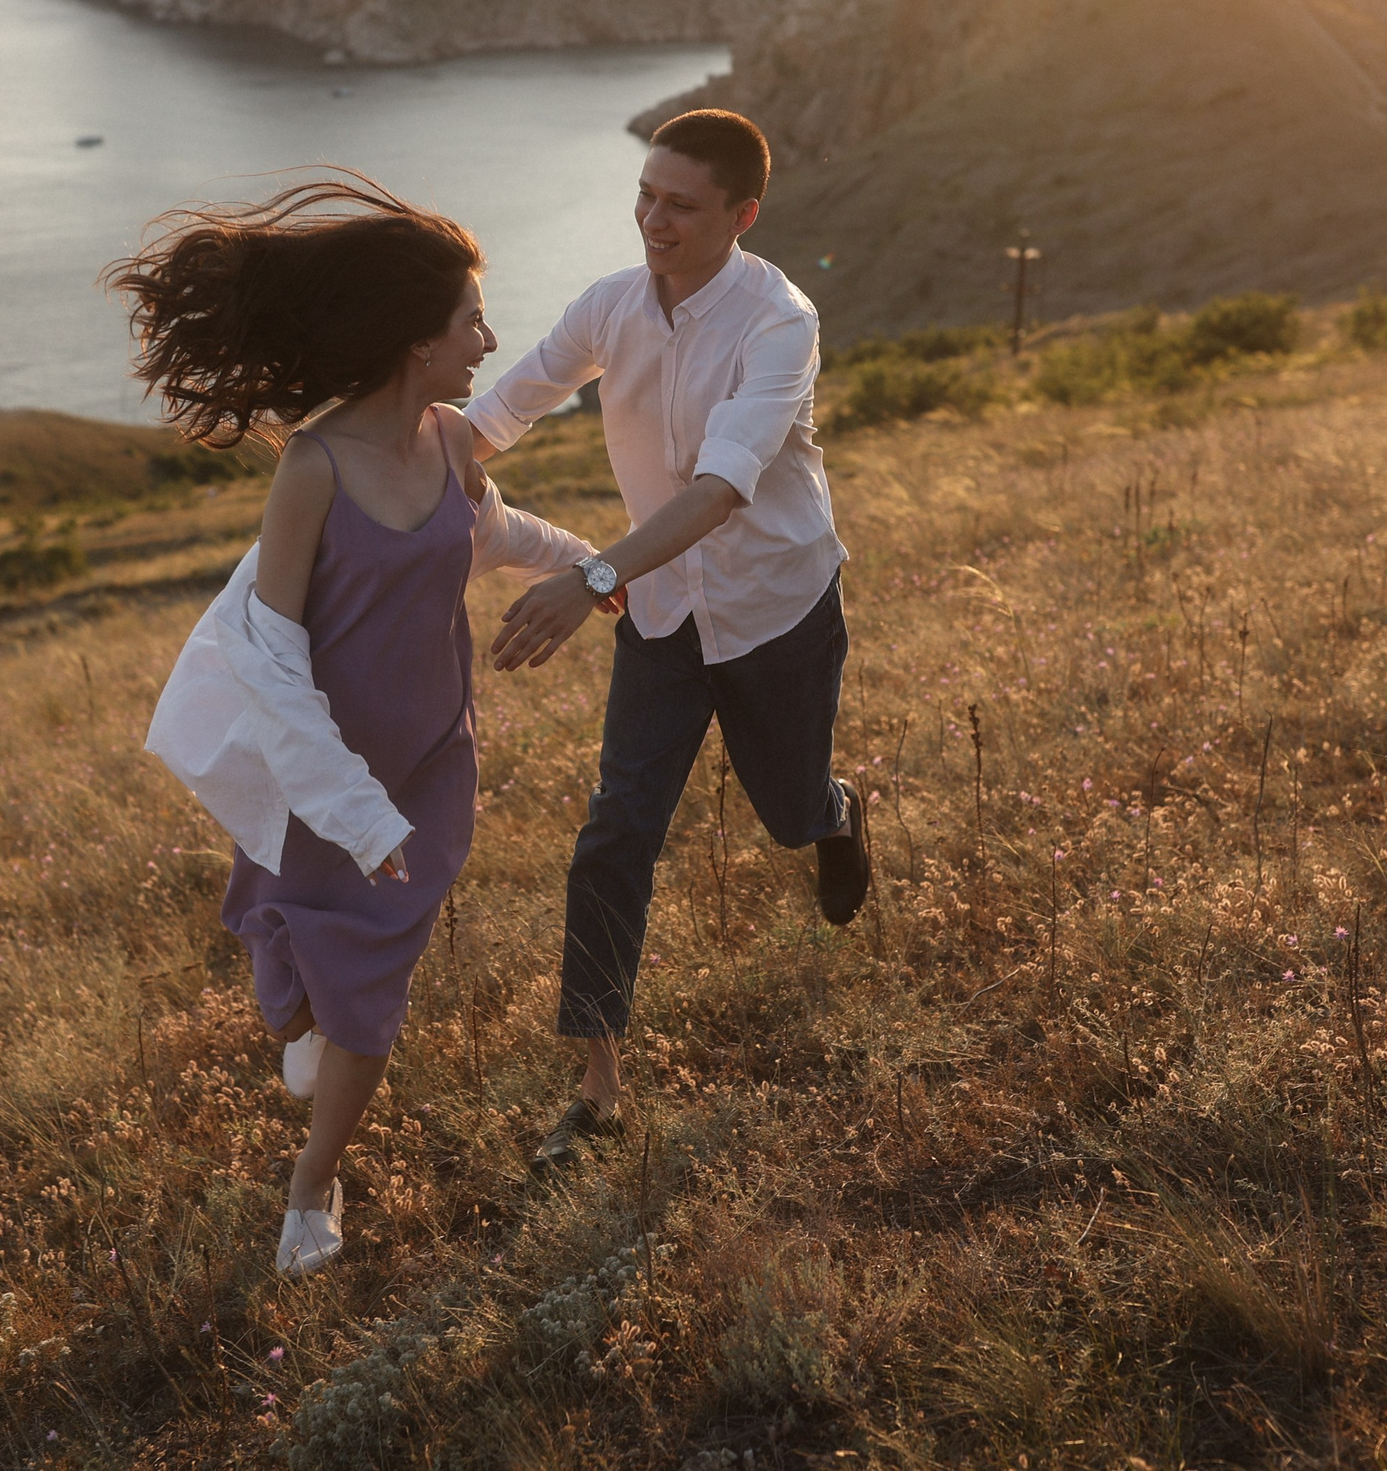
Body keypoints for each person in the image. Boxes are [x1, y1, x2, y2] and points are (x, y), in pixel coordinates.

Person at [127, 178, 600, 1275]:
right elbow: (271, 661)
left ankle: (309, 1189)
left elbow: (495, 534)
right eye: (468, 321)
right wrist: (344, 805)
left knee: (372, 992)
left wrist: (599, 570)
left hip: (430, 766)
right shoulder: (313, 468)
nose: (485, 339)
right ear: (411, 337)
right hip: (321, 779)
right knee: (296, 989)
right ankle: (301, 996)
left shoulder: (448, 442)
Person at [466, 109, 870, 1178]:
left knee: (786, 813)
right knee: (614, 834)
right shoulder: (610, 304)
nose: (651, 219)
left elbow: (721, 490)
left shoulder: (778, 321)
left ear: (740, 216)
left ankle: (835, 812)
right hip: (659, 621)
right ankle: (598, 1088)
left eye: (678, 205)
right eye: (644, 195)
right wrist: (382, 456)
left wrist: (591, 575)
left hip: (774, 608)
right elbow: (499, 412)